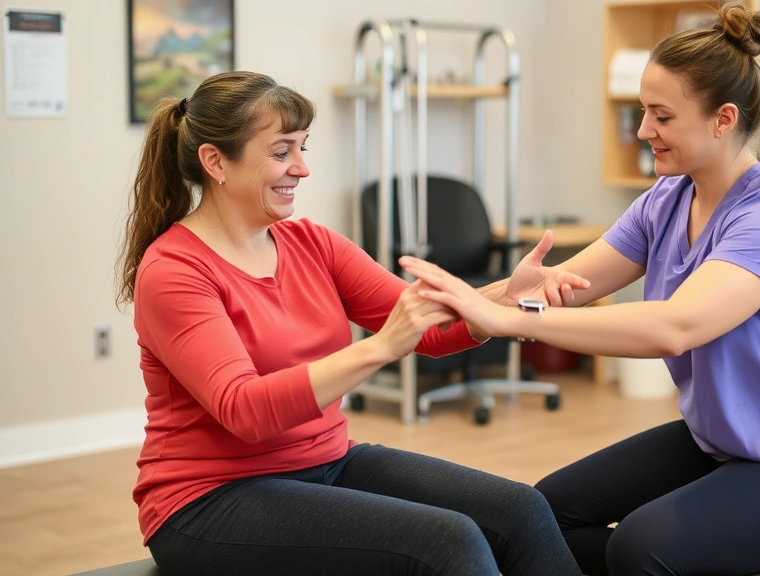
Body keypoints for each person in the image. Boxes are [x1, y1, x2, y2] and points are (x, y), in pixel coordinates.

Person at [398, 4, 760, 575]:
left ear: (723, 119)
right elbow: (569, 284)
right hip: (723, 445)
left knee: (639, 547)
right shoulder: (667, 200)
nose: (644, 130)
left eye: (662, 116)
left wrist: (515, 319)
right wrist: (479, 299)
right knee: (540, 516)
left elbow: (675, 327)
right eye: (643, 111)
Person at [115, 70, 587, 576]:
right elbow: (244, 410)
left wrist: (501, 298)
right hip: (209, 499)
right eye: (281, 152)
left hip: (327, 460)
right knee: (448, 543)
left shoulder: (312, 244)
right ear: (215, 162)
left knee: (521, 510)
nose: (302, 168)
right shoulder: (175, 271)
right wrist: (381, 347)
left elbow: (426, 327)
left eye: (302, 148)